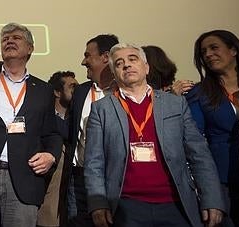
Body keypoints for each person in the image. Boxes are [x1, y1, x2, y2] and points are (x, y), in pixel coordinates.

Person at [84, 43, 226, 227]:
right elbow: (94, 162)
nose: (126, 65)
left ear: (146, 67)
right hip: (126, 206)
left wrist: (212, 198)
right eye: (119, 63)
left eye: (132, 59)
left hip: (175, 203)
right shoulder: (101, 109)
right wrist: (97, 204)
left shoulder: (175, 104)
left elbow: (199, 154)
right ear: (114, 72)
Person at [0, 23, 62, 226]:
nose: (9, 40)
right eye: (5, 38)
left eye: (16, 37)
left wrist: (51, 155)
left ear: (30, 48)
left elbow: (52, 133)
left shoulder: (43, 90)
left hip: (25, 179)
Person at [60, 34, 119, 227]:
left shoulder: (123, 92)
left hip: (114, 178)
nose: (83, 61)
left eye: (88, 55)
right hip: (78, 180)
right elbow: (69, 130)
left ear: (105, 57)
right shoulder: (81, 92)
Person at [186, 30, 239, 227]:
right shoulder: (199, 93)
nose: (208, 54)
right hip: (223, 180)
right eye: (203, 52)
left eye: (214, 48)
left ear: (233, 50)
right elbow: (194, 139)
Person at [38, 70, 78, 227]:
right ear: (56, 91)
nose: (77, 90)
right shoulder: (43, 118)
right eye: (72, 86)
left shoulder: (77, 118)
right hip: (48, 193)